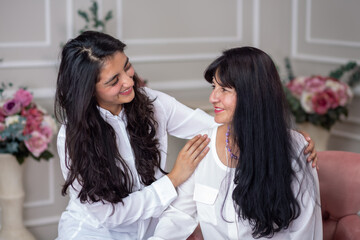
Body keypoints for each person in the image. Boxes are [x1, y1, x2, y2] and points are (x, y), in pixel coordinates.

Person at [54, 31, 317, 240]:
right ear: (88, 91)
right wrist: (175, 178)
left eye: (128, 67)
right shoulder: (72, 137)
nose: (129, 81)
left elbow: (216, 125)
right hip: (96, 233)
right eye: (114, 81)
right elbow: (108, 215)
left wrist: (280, 134)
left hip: (153, 230)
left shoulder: (152, 103)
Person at [150, 47, 322, 239]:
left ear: (253, 94)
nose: (213, 97)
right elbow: (179, 214)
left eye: (224, 89)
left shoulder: (297, 149)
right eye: (213, 87)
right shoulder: (203, 145)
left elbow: (305, 231)